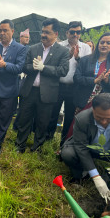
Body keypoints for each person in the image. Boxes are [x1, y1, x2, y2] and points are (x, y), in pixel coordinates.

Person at [15, 18, 69, 153]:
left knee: (42, 122)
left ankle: (36, 148)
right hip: (29, 90)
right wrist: (33, 67)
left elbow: (63, 71)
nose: (43, 35)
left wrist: (44, 67)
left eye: (47, 32)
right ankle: (19, 145)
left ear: (56, 34)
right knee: (24, 119)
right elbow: (24, 67)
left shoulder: (62, 51)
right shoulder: (33, 48)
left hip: (47, 93)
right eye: (42, 32)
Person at [61, 93, 110, 204]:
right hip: (90, 149)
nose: (104, 122)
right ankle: (82, 174)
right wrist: (95, 176)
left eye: (109, 118)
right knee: (68, 153)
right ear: (93, 110)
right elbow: (81, 147)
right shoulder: (82, 118)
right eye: (99, 118)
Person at [66, 32, 110, 139]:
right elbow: (77, 78)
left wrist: (108, 80)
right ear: (98, 44)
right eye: (102, 42)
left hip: (104, 103)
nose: (104, 45)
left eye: (108, 43)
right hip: (83, 99)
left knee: (95, 128)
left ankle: (90, 152)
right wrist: (94, 80)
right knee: (77, 123)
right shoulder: (86, 60)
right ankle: (66, 148)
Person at [0, 19, 26, 153]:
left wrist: (5, 64)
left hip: (9, 90)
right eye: (0, 31)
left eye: (5, 30)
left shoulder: (20, 48)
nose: (2, 33)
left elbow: (19, 68)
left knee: (4, 118)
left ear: (12, 31)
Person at [46, 21, 92, 146]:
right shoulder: (59, 45)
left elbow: (88, 69)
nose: (75, 34)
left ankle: (63, 144)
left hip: (74, 88)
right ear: (67, 33)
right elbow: (52, 65)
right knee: (52, 113)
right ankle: (47, 140)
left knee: (70, 117)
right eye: (72, 32)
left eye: (78, 32)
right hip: (58, 85)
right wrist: (67, 57)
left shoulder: (86, 48)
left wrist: (77, 59)